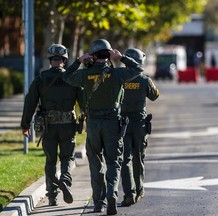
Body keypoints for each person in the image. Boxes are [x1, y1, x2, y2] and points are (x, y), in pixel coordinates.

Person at [63, 39, 143, 215]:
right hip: (112, 123)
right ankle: (112, 193)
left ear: (93, 55)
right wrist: (122, 57)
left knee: (95, 162)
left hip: (92, 124)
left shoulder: (85, 75)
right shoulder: (118, 74)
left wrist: (78, 61)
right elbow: (139, 69)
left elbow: (66, 76)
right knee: (113, 161)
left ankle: (98, 202)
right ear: (108, 55)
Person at [21, 44, 84, 206]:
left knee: (50, 161)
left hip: (48, 126)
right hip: (68, 126)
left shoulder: (41, 79)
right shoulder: (73, 78)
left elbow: (30, 102)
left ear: (50, 60)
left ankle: (52, 197)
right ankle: (65, 179)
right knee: (67, 157)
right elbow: (84, 102)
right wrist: (90, 120)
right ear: (64, 60)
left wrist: (25, 124)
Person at [120, 48, 159, 206]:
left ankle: (129, 193)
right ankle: (140, 189)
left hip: (123, 123)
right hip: (139, 124)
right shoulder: (144, 80)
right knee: (139, 158)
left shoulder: (119, 79)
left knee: (125, 159)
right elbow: (155, 96)